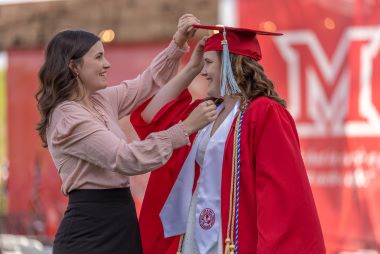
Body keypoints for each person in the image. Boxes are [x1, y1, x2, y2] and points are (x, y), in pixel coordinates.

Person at [130, 25, 326, 254]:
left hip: (235, 237)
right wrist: (191, 68)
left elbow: (280, 197)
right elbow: (151, 116)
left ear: (231, 65)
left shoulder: (264, 113)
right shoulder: (204, 112)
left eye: (209, 63)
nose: (203, 72)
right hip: (193, 233)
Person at [35, 15, 218, 254]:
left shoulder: (100, 100)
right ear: (74, 66)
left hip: (121, 218)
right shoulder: (67, 117)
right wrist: (185, 128)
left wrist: (178, 44)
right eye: (99, 57)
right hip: (89, 230)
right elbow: (125, 158)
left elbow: (146, 83)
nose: (107, 64)